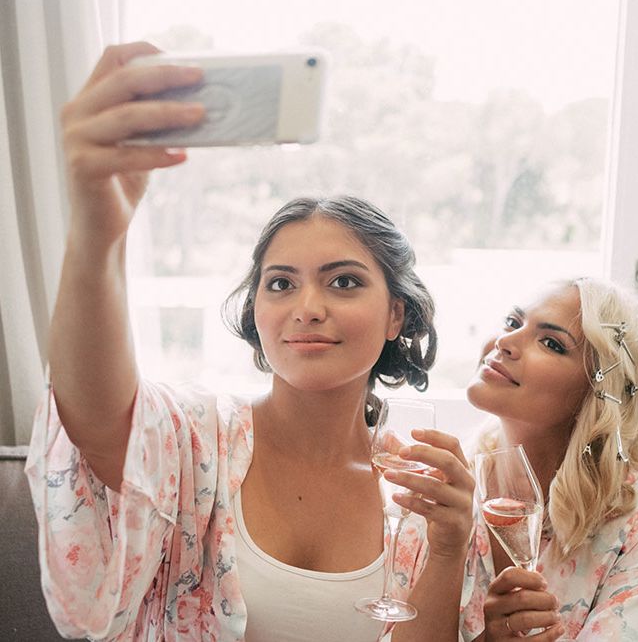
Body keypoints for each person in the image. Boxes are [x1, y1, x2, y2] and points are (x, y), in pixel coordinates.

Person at [24, 42, 477, 641]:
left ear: (396, 315)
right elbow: (95, 414)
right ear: (256, 310)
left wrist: (449, 549)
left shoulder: (417, 492)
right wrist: (96, 231)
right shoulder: (197, 440)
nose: (307, 309)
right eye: (280, 283)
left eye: (344, 282)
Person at [458, 278, 638, 641]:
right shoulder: (444, 490)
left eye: (551, 343)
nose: (504, 342)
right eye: (512, 322)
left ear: (597, 393)